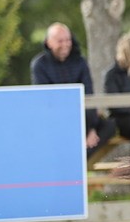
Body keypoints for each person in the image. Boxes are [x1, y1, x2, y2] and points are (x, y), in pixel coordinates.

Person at [30, 21, 117, 158]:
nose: (65, 44)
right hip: (56, 122)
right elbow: (47, 103)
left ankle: (77, 160)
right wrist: (82, 131)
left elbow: (88, 96)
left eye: (68, 40)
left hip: (83, 118)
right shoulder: (39, 65)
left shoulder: (80, 62)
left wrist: (89, 129)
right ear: (49, 43)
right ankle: (72, 160)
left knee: (109, 126)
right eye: (60, 41)